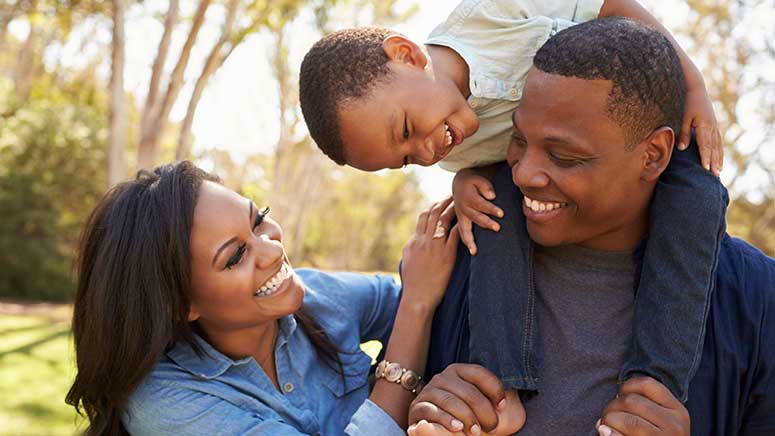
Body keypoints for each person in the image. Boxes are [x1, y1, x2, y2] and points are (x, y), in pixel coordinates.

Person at [298, 0, 727, 415]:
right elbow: (490, 162)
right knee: (490, 212)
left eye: (408, 129)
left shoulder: (493, 14)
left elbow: (612, 5)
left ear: (406, 54)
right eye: (408, 159)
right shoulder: (450, 146)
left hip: (636, 131)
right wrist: (463, 179)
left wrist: (692, 86)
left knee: (700, 196)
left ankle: (654, 387)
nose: (427, 151)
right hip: (549, 180)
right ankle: (499, 386)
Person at [408, 18, 775, 436]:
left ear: (654, 155)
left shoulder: (757, 303)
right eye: (519, 140)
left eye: (564, 156)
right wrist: (426, 414)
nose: (525, 174)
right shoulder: (451, 261)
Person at [65, 161, 461, 435]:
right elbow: (418, 301)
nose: (272, 250)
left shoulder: (318, 297)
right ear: (179, 305)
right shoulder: (165, 404)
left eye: (258, 220)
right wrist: (415, 310)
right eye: (236, 256)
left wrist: (471, 181)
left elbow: (442, 294)